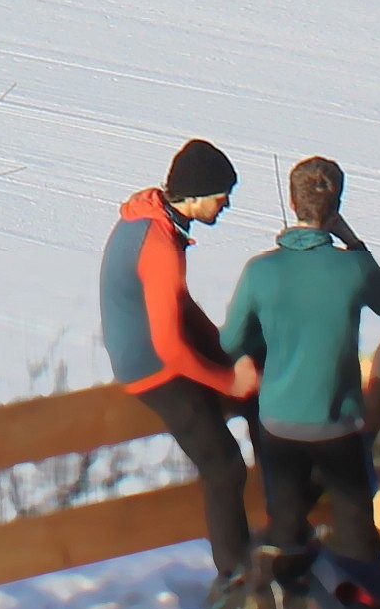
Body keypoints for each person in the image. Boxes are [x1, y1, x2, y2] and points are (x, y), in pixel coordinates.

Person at [216, 155, 380, 574]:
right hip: (340, 422)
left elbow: (231, 341)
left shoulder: (262, 271)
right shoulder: (351, 268)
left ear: (292, 203)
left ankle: (282, 608)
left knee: (285, 523)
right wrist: (352, 240)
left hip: (280, 421)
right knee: (356, 525)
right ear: (335, 206)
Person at [99, 138, 261, 585]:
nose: (226, 205)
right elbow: (171, 347)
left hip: (154, 348)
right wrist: (226, 382)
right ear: (195, 194)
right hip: (150, 368)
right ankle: (235, 573)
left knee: (255, 393)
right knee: (224, 465)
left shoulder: (156, 221)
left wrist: (225, 352)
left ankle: (276, 528)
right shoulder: (159, 244)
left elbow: (180, 305)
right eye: (222, 196)